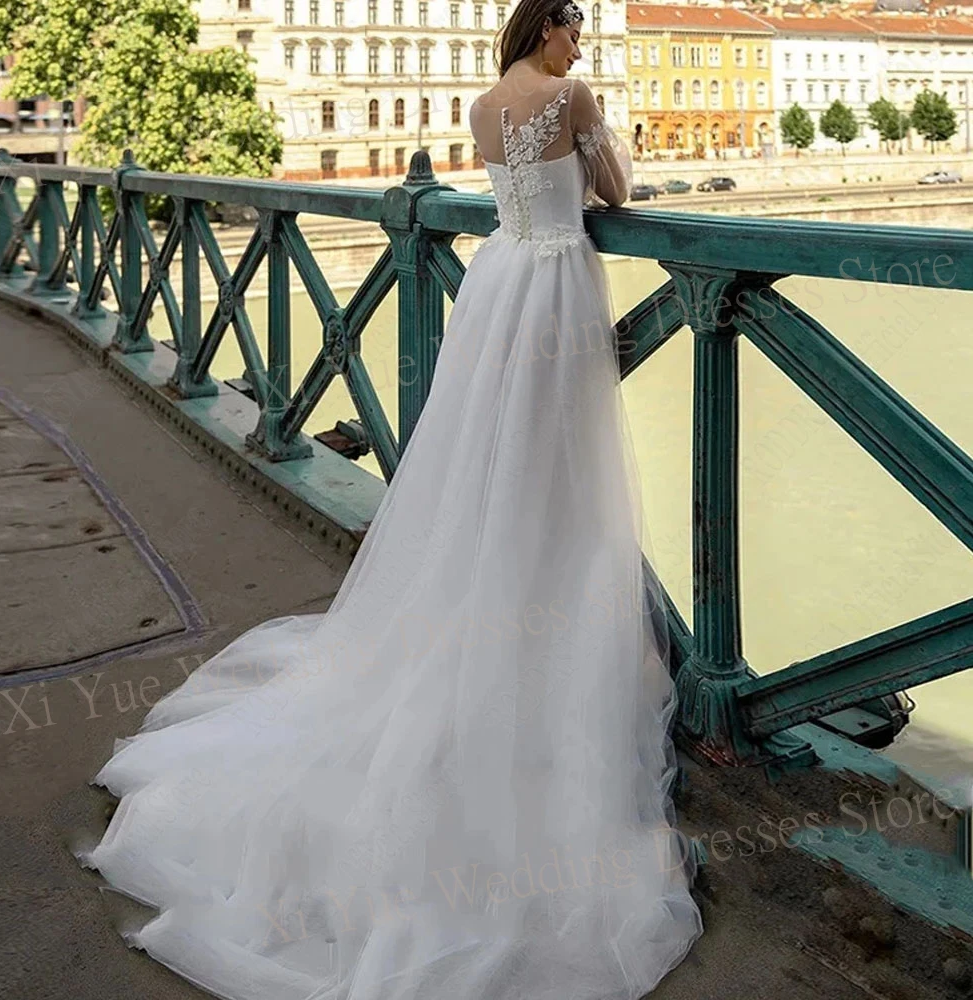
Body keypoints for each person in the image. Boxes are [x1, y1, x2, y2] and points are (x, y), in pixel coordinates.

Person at [73, 1, 704, 997]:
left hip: (501, 280)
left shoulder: (485, 100)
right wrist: (605, 155)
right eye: (573, 27)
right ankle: (547, 626)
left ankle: (491, 611)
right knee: (559, 465)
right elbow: (611, 190)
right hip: (556, 285)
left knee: (490, 458)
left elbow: (515, 193)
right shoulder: (570, 92)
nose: (581, 43)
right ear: (546, 30)